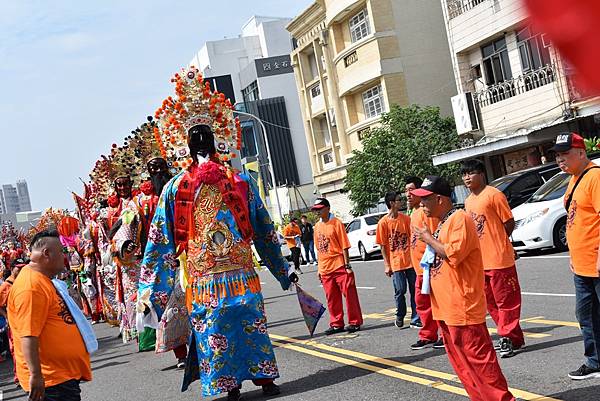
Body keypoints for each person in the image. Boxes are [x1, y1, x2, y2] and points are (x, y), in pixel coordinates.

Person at [137, 66, 298, 401]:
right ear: (182, 144)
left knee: (251, 322)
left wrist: (283, 267)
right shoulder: (175, 189)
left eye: (205, 137)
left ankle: (263, 376)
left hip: (241, 273)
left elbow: (264, 228)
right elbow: (159, 242)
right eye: (194, 138)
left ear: (217, 139)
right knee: (213, 330)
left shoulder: (239, 181)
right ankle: (229, 384)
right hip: (204, 278)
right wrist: (151, 292)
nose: (200, 144)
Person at [413, 176, 516, 401]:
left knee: (481, 365)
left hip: (463, 308)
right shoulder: (443, 222)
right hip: (446, 308)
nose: (421, 204)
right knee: (464, 368)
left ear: (439, 199)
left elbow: (452, 253)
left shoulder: (459, 218)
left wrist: (429, 239)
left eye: (425, 199)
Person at [8, 230, 92, 401]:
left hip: (60, 378)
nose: (64, 256)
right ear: (47, 253)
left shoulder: (42, 280)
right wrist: (36, 375)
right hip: (51, 381)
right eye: (61, 251)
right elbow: (28, 335)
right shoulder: (31, 287)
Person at [462, 159, 524, 358]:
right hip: (480, 262)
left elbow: (508, 223)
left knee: (507, 301)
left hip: (499, 259)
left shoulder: (494, 195)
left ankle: (505, 336)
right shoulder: (468, 201)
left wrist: (500, 241)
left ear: (481, 174)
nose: (466, 178)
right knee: (491, 303)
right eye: (464, 175)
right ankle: (514, 337)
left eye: (470, 173)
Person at [552, 132, 600, 380]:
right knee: (586, 315)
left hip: (597, 261)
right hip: (582, 264)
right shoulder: (574, 178)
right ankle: (595, 361)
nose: (560, 159)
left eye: (565, 154)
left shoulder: (595, 177)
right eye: (558, 155)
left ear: (581, 153)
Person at [312, 197, 363, 335]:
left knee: (350, 295)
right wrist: (319, 269)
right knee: (331, 298)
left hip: (339, 265)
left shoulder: (337, 223)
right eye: (315, 210)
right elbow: (319, 249)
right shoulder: (317, 227)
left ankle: (355, 322)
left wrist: (347, 265)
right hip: (325, 268)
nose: (317, 212)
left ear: (327, 208)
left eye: (319, 209)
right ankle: (336, 323)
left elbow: (344, 246)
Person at [405, 177, 443, 350]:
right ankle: (428, 334)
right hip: (419, 267)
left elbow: (437, 236)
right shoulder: (413, 213)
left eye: (411, 190)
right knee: (422, 303)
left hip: (431, 266)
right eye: (406, 191)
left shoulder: (427, 211)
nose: (408, 194)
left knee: (438, 302)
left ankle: (444, 334)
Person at [376, 191, 419, 329]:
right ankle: (400, 314)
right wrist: (386, 264)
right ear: (392, 203)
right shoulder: (383, 223)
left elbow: (413, 238)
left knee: (414, 290)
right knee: (400, 290)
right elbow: (383, 245)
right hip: (396, 263)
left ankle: (415, 317)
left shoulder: (406, 219)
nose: (401, 201)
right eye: (398, 200)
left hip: (410, 261)